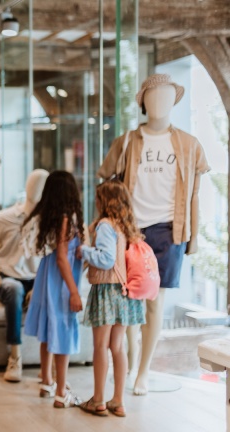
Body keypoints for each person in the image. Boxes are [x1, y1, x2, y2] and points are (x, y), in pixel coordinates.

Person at [97, 73, 210, 395]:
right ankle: (130, 364)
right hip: (131, 227)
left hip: (169, 228)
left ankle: (143, 371)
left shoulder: (189, 144)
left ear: (175, 100)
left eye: (166, 94)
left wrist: (194, 237)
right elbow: (104, 178)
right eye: (153, 95)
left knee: (155, 303)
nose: (159, 101)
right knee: (129, 298)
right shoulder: (128, 141)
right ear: (144, 101)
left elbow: (195, 194)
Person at [77, 180, 146, 417]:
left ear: (105, 201)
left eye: (98, 198)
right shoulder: (126, 227)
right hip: (125, 293)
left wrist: (84, 251)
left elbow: (106, 259)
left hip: (107, 291)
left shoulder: (105, 225)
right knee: (118, 346)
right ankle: (118, 400)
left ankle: (98, 400)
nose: (95, 202)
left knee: (100, 347)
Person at [21, 170, 84, 408]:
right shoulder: (67, 218)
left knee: (48, 332)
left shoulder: (50, 216)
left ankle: (47, 381)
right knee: (63, 333)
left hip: (45, 279)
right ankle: (61, 393)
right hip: (60, 282)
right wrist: (74, 291)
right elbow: (61, 257)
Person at [0, 168, 49, 383]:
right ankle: (15, 357)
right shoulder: (4, 218)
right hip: (7, 278)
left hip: (36, 279)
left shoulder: (47, 221)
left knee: (52, 293)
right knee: (15, 289)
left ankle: (48, 364)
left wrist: (39, 287)